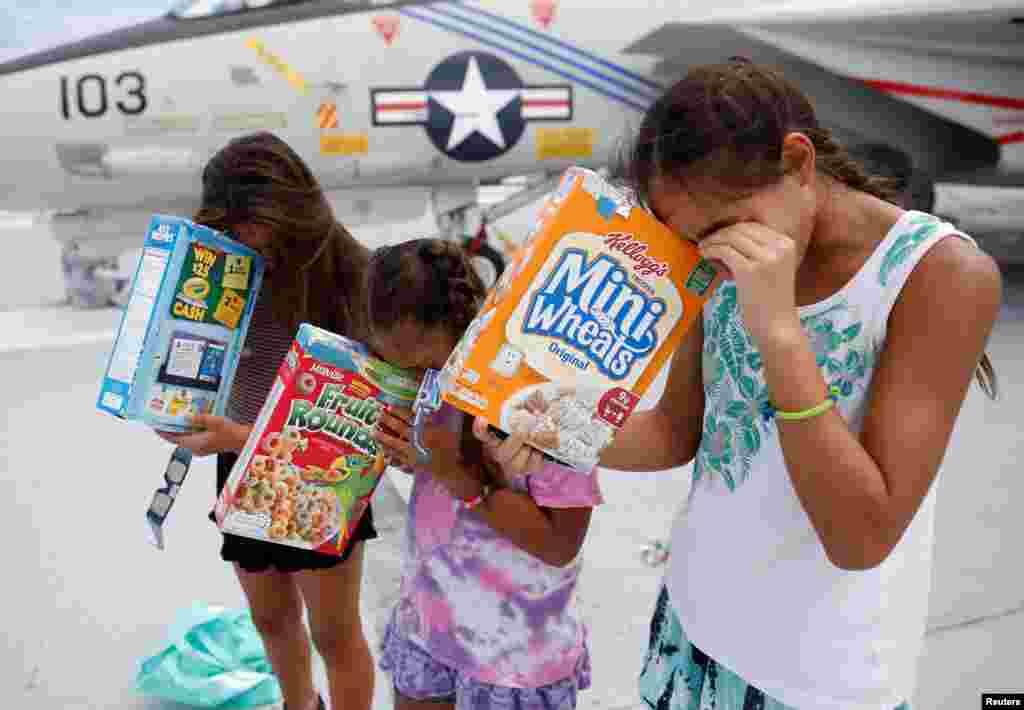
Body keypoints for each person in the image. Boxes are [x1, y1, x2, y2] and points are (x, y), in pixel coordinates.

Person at [591, 60, 1001, 709]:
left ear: (799, 163)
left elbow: (860, 537)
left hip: (818, 675)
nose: (710, 258)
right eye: (691, 241)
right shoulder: (711, 252)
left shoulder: (939, 275)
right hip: (694, 626)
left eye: (725, 229)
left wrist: (780, 333)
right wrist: (553, 429)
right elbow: (674, 432)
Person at [158, 132, 375, 710]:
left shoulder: (355, 277)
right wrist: (175, 407)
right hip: (238, 457)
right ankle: (299, 704)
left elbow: (355, 427)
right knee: (271, 616)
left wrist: (241, 438)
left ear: (291, 208)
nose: (240, 241)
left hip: (322, 475)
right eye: (226, 228)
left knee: (334, 631)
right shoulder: (226, 272)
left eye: (248, 225)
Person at [366, 238, 602, 710]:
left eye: (424, 363)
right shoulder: (435, 372)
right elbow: (442, 474)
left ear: (463, 324)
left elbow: (559, 544)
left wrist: (460, 479)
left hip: (513, 653)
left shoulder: (549, 394)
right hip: (427, 623)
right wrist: (416, 460)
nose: (419, 377)